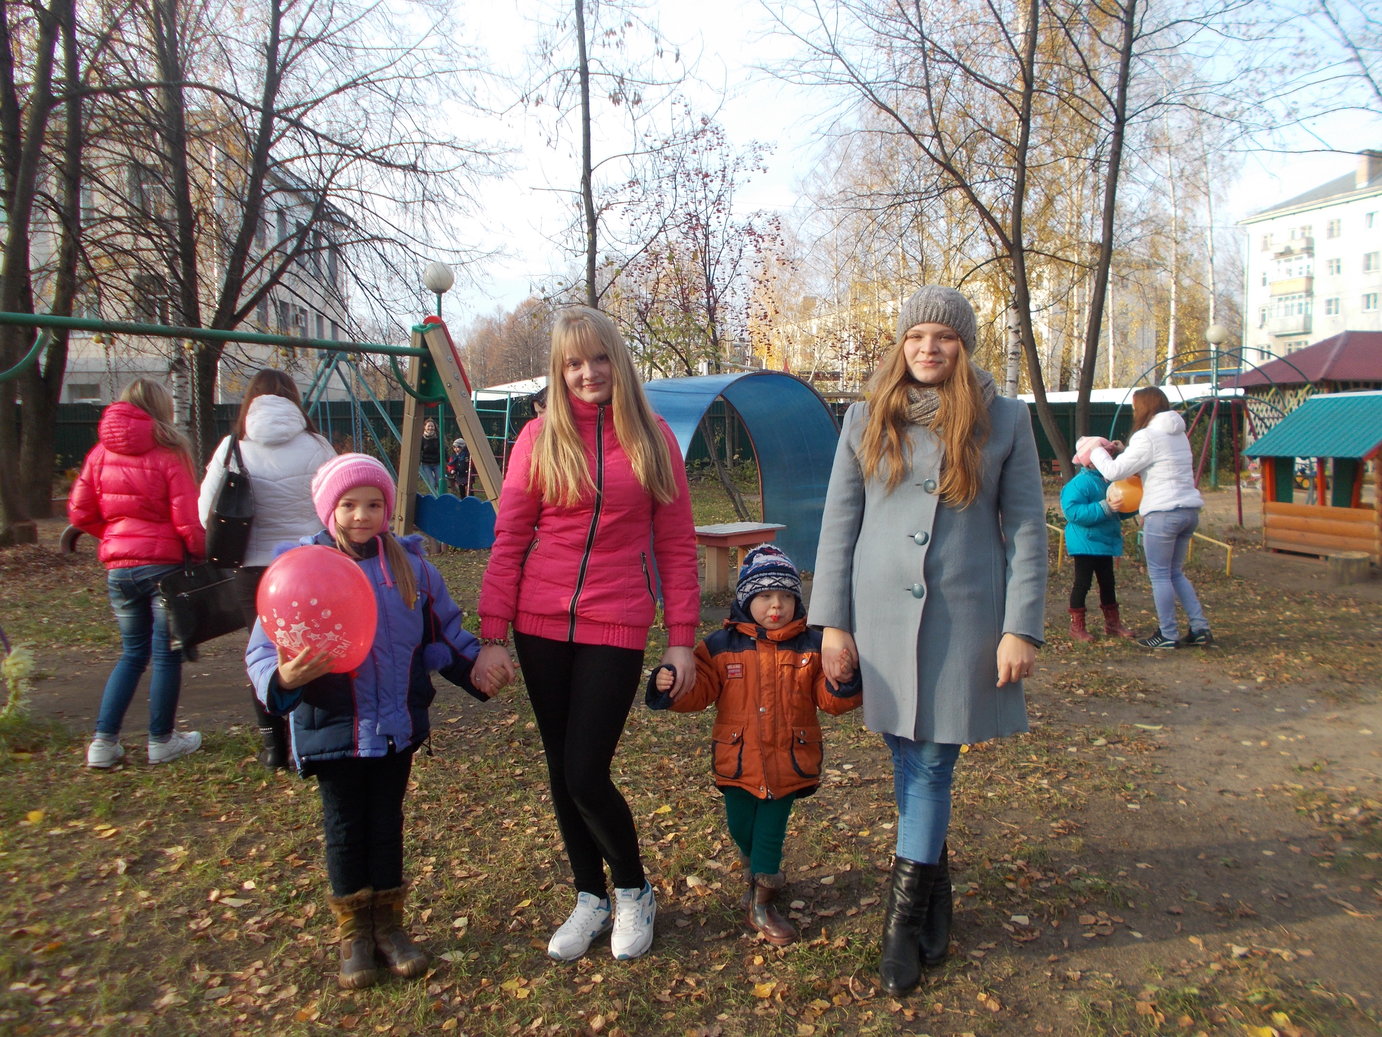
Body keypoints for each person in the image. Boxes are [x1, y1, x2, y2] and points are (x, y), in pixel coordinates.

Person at [808, 286, 1047, 996]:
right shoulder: (864, 416)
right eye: (916, 336)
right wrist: (833, 622)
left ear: (963, 345)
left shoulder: (1005, 419)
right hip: (878, 619)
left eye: (943, 336)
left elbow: (1027, 528)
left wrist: (1020, 627)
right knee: (906, 756)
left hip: (964, 622)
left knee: (932, 765)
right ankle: (936, 891)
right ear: (901, 343)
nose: (927, 348)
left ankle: (900, 928)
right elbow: (838, 523)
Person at [472, 305, 700, 963]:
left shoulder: (652, 437)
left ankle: (632, 889)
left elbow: (676, 542)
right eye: (574, 362)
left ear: (617, 361)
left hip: (616, 620)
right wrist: (493, 633)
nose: (588, 372)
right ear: (559, 369)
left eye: (599, 358)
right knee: (560, 767)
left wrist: (680, 636)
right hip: (540, 623)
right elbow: (509, 538)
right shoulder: (538, 438)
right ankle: (589, 895)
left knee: (585, 769)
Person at [244, 453, 490, 989]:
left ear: (388, 508)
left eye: (374, 504)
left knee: (385, 825)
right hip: (333, 725)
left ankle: (389, 928)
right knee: (344, 828)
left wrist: (480, 668)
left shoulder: (410, 568)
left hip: (395, 727)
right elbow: (262, 649)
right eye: (349, 505)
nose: (362, 515)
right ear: (328, 510)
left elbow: (444, 631)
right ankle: (354, 934)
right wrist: (282, 677)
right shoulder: (301, 569)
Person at [647, 544, 861, 946]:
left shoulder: (812, 646)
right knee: (740, 826)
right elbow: (701, 690)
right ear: (747, 600)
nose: (776, 606)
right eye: (765, 596)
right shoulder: (720, 645)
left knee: (770, 832)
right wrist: (670, 685)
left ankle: (762, 902)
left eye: (785, 596)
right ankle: (753, 871)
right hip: (737, 759)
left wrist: (844, 680)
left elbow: (829, 700)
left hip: (788, 761)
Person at [198, 368, 336, 769]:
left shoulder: (232, 448)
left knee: (262, 653)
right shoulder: (317, 445)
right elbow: (335, 503)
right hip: (306, 564)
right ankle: (309, 739)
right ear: (294, 399)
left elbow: (206, 512)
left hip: (253, 568)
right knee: (310, 649)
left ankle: (273, 747)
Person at [68, 378, 207, 769]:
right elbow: (187, 518)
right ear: (161, 408)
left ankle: (103, 742)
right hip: (163, 569)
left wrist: (116, 537)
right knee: (166, 655)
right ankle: (161, 739)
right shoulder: (170, 451)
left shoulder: (99, 453)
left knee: (131, 654)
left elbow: (79, 511)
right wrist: (200, 554)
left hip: (120, 570)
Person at [1083, 386, 1212, 648]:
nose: (1134, 413)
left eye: (1135, 408)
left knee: (1160, 575)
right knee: (1175, 573)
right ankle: (1200, 627)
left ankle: (1168, 634)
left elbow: (1113, 472)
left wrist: (1095, 450)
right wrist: (1125, 450)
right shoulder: (1178, 434)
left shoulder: (1147, 436)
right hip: (1188, 510)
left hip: (1163, 513)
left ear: (1144, 407)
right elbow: (1153, 463)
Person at [1061, 441, 1136, 641]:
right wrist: (1105, 507)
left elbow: (1117, 511)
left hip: (1104, 542)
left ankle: (1112, 624)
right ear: (1091, 460)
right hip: (1085, 543)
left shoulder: (1108, 481)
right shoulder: (1079, 484)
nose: (1109, 459)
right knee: (1082, 583)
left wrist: (1131, 506)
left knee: (1108, 583)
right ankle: (1077, 626)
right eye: (1105, 455)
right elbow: (1072, 512)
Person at [419, 417, 441, 493]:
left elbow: (443, 449)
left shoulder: (438, 438)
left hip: (437, 463)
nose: (430, 428)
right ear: (425, 427)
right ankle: (434, 495)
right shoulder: (422, 439)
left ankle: (439, 496)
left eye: (432, 426)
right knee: (432, 482)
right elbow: (419, 451)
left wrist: (447, 459)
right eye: (428, 426)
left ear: (434, 427)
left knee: (439, 482)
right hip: (426, 464)